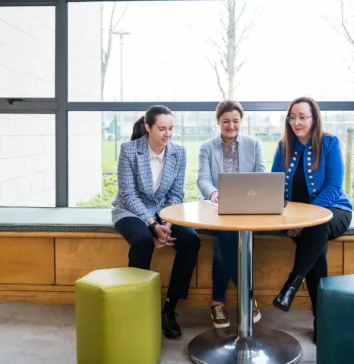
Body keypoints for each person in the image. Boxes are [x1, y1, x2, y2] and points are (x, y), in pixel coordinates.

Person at [111, 105, 200, 340]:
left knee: (191, 239)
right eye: (162, 129)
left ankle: (170, 308)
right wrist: (152, 225)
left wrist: (168, 224)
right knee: (142, 240)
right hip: (130, 210)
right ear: (148, 127)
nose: (167, 134)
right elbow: (128, 195)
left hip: (164, 212)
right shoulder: (129, 151)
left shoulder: (178, 153)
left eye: (171, 129)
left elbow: (176, 194)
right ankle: (136, 307)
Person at [270, 96, 353, 341]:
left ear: (314, 119)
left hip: (334, 210)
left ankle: (291, 285)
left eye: (302, 117)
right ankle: (322, 321)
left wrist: (305, 220)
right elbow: (273, 186)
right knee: (317, 246)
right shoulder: (284, 146)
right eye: (292, 117)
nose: (297, 122)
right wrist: (291, 220)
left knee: (318, 227)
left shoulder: (329, 143)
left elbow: (333, 188)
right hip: (296, 220)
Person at [197, 100, 266, 328]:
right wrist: (213, 192)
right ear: (218, 122)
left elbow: (261, 175)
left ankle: (217, 302)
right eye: (226, 121)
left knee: (226, 239)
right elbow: (203, 178)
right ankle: (246, 295)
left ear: (241, 122)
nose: (231, 126)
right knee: (227, 235)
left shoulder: (254, 144)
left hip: (247, 209)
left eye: (235, 121)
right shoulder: (207, 147)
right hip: (216, 209)